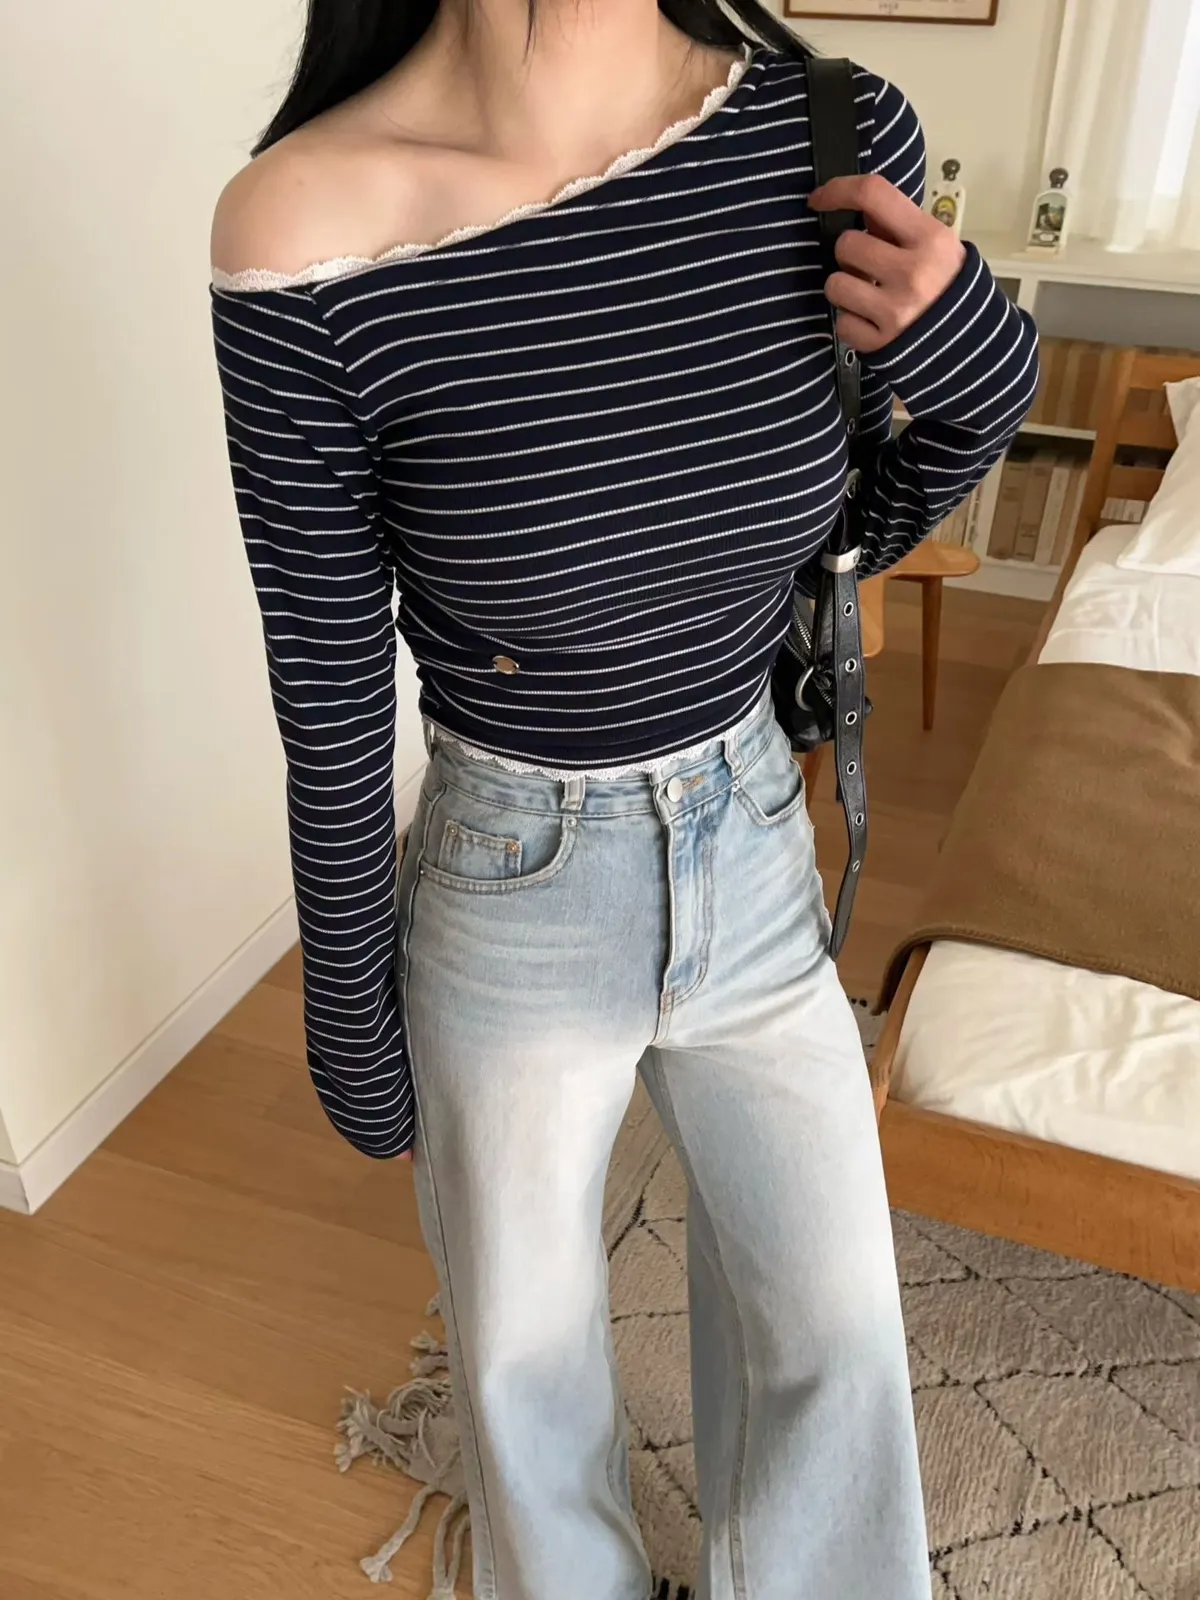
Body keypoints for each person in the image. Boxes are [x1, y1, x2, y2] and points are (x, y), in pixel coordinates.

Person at [210, 1, 1038, 1594]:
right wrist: (350, 1011)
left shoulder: (828, 135)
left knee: (836, 1334)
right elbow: (328, 689)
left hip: (753, 838)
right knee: (524, 1367)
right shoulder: (302, 228)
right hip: (506, 876)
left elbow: (841, 536)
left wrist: (983, 383)